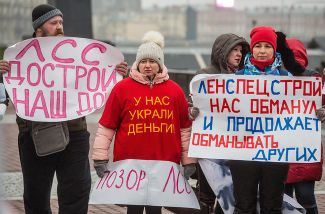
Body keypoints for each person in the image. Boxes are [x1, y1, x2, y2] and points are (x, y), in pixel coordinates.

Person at [0, 4, 128, 214]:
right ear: (39, 27)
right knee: (36, 194)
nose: (59, 26)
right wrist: (1, 73)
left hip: (75, 131)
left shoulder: (75, 52)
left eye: (61, 22)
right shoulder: (20, 55)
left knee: (77, 191)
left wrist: (116, 71)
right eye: (53, 23)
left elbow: (97, 73)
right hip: (34, 134)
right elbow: (10, 86)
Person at [91, 31, 197, 214]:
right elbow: (107, 127)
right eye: (143, 61)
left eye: (153, 61)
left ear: (160, 64)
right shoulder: (121, 89)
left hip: (164, 164)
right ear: (137, 63)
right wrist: (100, 158)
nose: (148, 66)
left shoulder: (175, 91)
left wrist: (188, 161)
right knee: (133, 209)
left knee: (155, 209)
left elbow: (184, 130)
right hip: (129, 164)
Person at [228, 26, 291, 214]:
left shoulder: (287, 79)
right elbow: (222, 112)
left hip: (276, 152)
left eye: (267, 46)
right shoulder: (235, 80)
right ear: (252, 49)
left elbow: (299, 111)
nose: (262, 51)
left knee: (272, 205)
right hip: (243, 152)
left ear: (274, 50)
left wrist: (316, 113)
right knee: (243, 205)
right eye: (258, 46)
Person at [192, 33, 249, 214]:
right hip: (210, 148)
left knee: (229, 194)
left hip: (236, 147)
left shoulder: (247, 77)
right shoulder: (205, 75)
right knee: (207, 195)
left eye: (241, 50)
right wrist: (190, 111)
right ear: (222, 51)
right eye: (234, 49)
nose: (238, 54)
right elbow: (192, 103)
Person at [276, 33, 323, 214]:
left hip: (302, 150)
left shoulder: (314, 79)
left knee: (305, 198)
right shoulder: (274, 79)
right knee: (287, 199)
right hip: (285, 149)